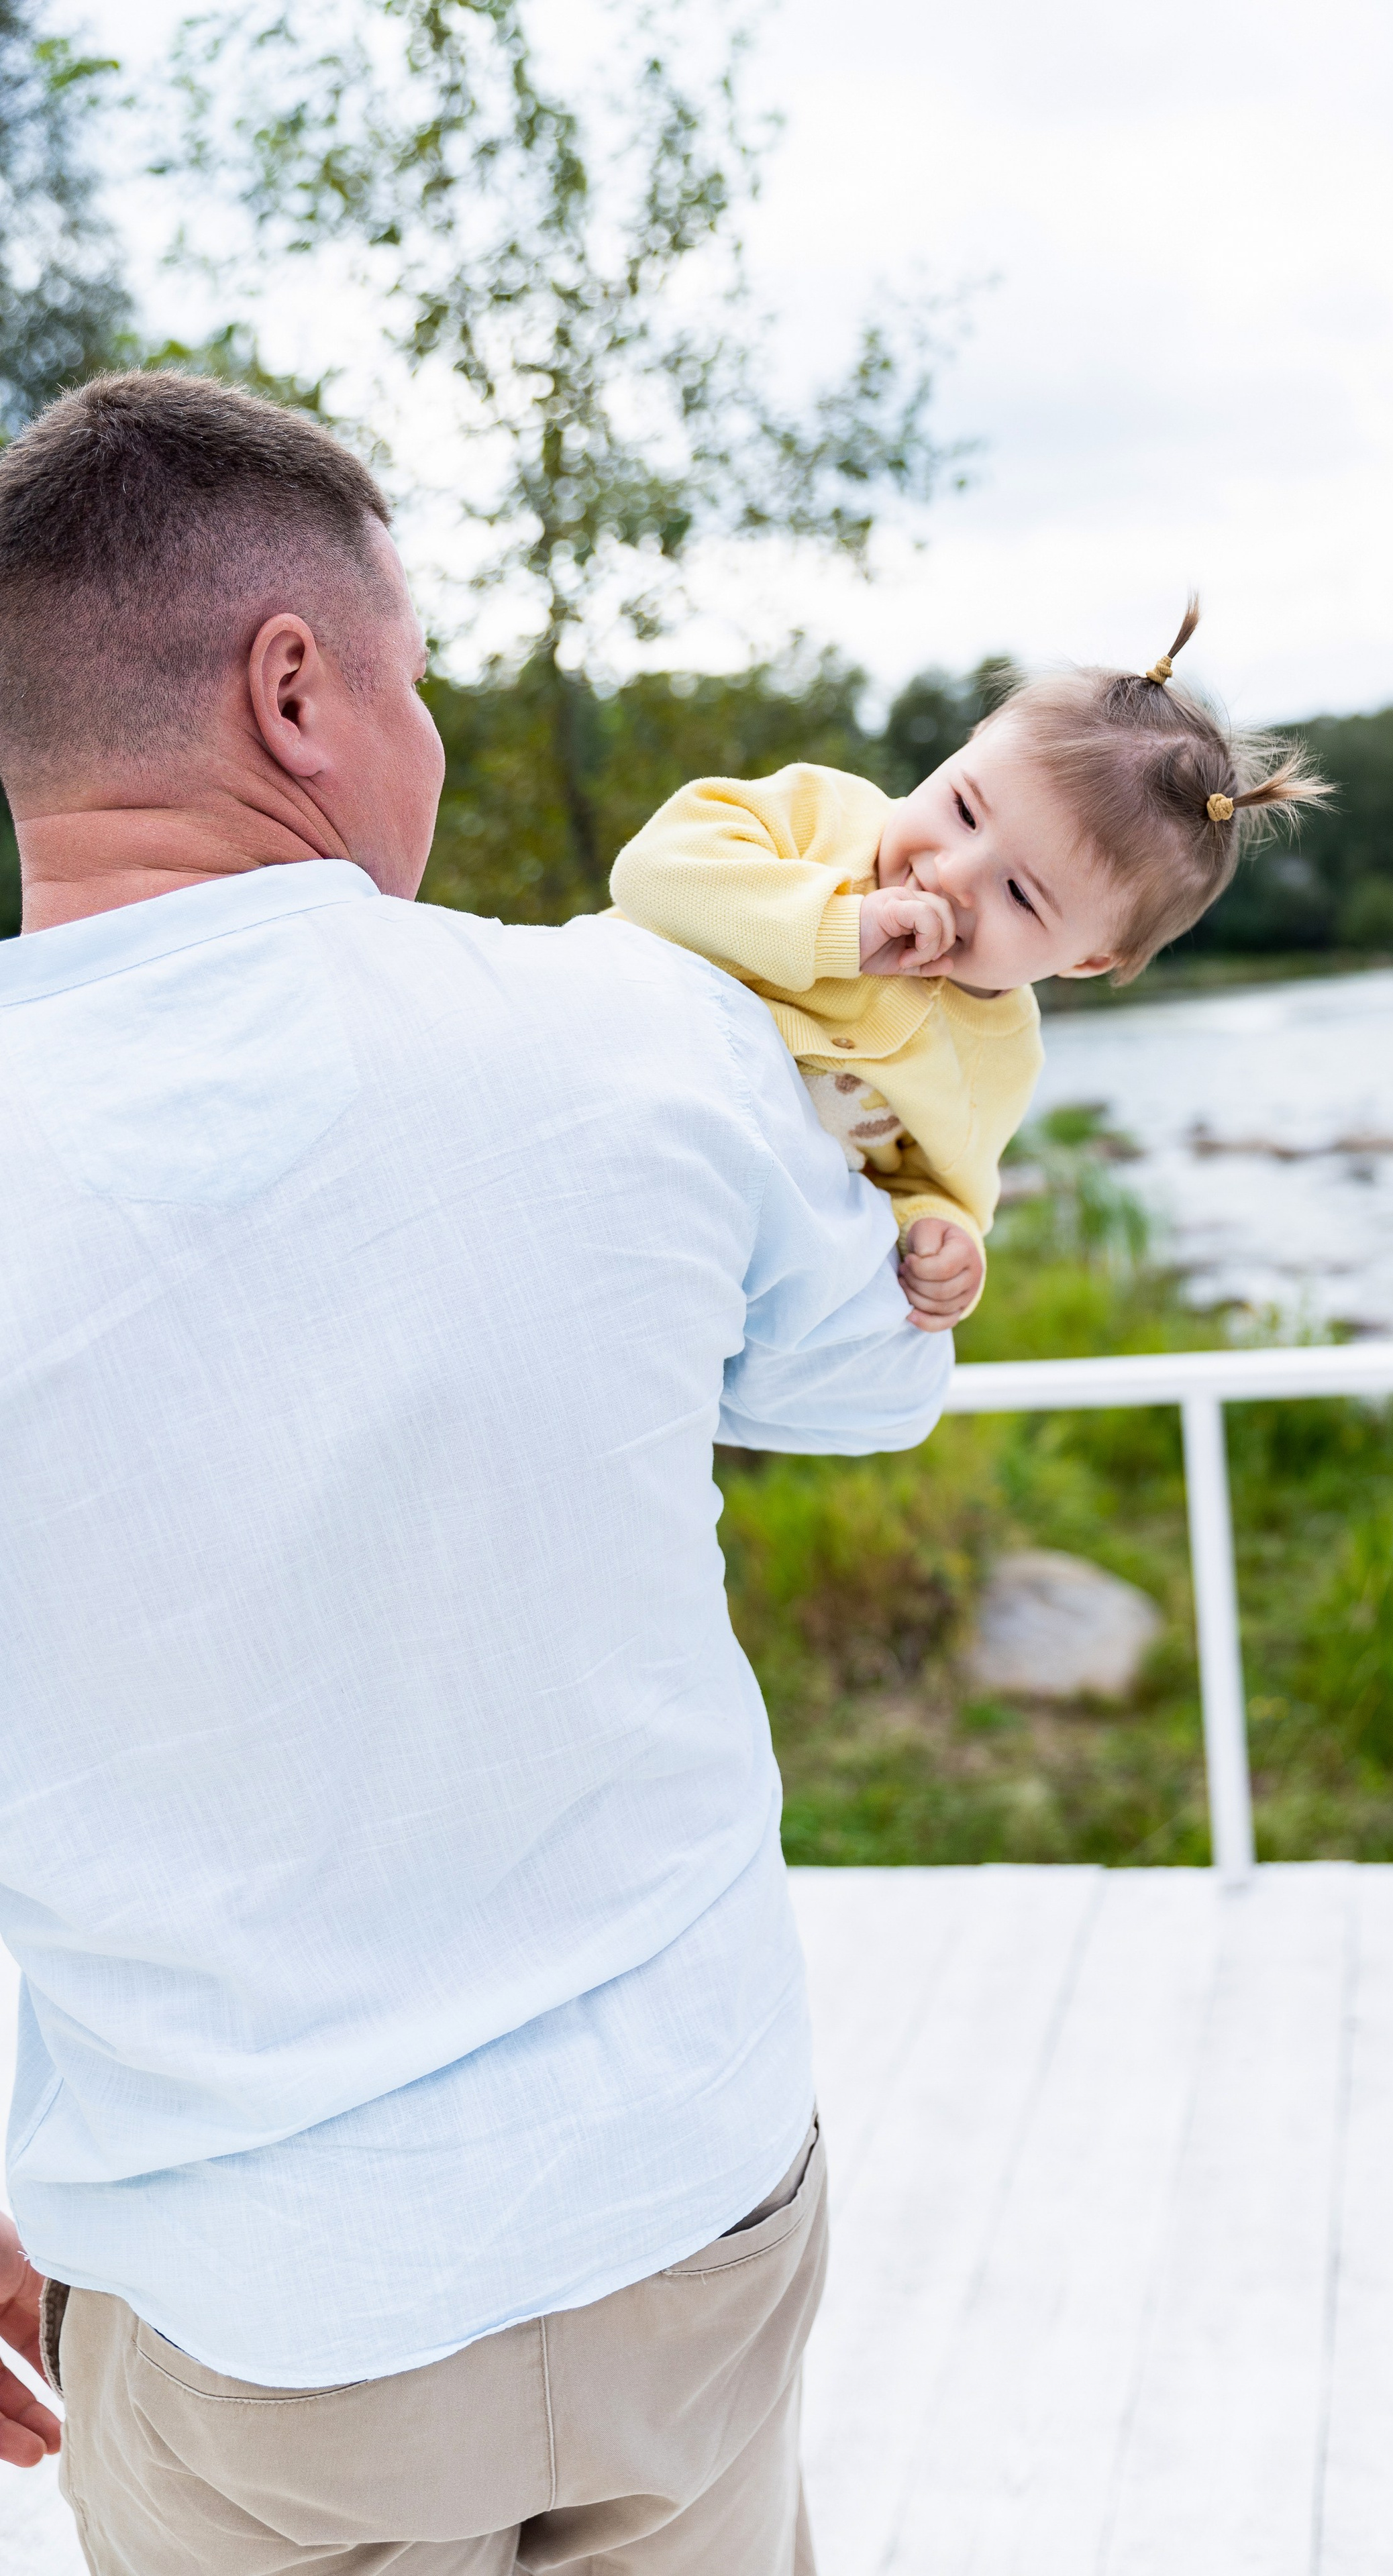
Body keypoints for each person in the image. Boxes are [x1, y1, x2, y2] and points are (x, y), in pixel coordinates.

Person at [0, 370, 952, 2573]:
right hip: (678, 2214)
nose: (424, 744)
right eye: (417, 680)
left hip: (252, 2297)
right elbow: (866, 1388)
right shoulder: (636, 1021)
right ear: (297, 685)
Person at [609, 609, 1327, 1328]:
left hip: (688, 1217)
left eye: (1019, 893)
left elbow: (935, 1178)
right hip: (607, 1056)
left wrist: (941, 1233)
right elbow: (650, 874)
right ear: (971, 744)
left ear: (1085, 959)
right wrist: (839, 928)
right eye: (962, 808)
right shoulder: (818, 818)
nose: (951, 873)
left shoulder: (998, 1055)